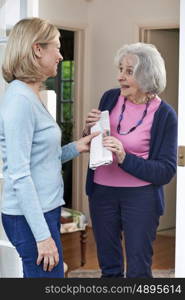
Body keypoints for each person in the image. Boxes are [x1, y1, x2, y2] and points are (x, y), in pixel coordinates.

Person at [0, 17, 98, 278]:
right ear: (37, 49)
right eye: (55, 46)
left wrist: (78, 146)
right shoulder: (20, 101)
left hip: (44, 210)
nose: (60, 55)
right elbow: (19, 174)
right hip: (30, 218)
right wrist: (43, 237)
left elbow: (42, 158)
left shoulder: (30, 95)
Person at [83, 42, 177, 278]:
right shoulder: (110, 98)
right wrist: (89, 131)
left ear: (147, 75)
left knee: (138, 269)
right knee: (109, 267)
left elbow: (165, 171)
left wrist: (125, 157)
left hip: (141, 199)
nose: (119, 77)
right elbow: (96, 143)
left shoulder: (165, 115)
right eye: (120, 69)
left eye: (128, 71)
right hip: (102, 193)